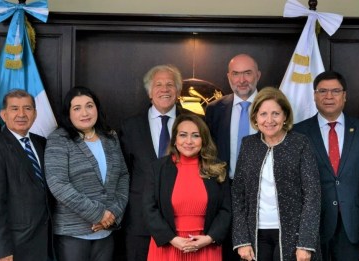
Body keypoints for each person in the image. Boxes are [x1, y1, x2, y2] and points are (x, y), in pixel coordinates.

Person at [232, 87, 321, 261]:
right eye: (263, 114)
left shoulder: (300, 143)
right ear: (255, 117)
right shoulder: (249, 145)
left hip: (293, 235)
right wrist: (242, 240)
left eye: (275, 114)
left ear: (285, 116)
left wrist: (305, 243)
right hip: (255, 235)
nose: (269, 120)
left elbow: (312, 195)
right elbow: (238, 195)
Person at [293, 71, 359, 261]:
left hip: (353, 228)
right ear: (314, 95)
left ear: (345, 95)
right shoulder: (298, 132)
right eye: (322, 91)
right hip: (313, 228)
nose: (329, 96)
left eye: (335, 91)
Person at [45, 86, 129, 261]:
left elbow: (123, 176)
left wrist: (113, 213)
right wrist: (98, 214)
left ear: (97, 108)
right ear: (69, 114)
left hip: (106, 233)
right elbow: (58, 184)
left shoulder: (110, 137)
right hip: (73, 236)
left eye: (89, 106)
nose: (85, 112)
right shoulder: (59, 139)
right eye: (77, 108)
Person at [143, 113, 231, 261]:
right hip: (167, 246)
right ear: (175, 140)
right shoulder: (158, 168)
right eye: (183, 135)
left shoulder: (217, 168)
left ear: (203, 140)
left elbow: (226, 210)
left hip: (206, 246)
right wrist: (172, 239)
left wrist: (209, 239)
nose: (189, 141)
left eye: (195, 136)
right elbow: (149, 208)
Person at [0, 90, 52, 261]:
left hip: (43, 242)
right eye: (14, 109)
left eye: (27, 108)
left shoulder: (43, 143)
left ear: (35, 113)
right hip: (13, 247)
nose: (21, 114)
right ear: (3, 114)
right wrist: (1, 251)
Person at [119, 64, 184, 261]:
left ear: (178, 91)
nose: (164, 90)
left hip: (182, 221)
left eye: (170, 85)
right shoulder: (130, 126)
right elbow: (124, 172)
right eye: (158, 85)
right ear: (149, 92)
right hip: (140, 221)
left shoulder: (196, 122)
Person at [205, 53, 261, 261]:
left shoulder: (272, 107)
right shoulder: (214, 109)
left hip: (264, 192)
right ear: (229, 77)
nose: (242, 79)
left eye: (247, 73)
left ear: (258, 75)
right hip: (224, 191)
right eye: (236, 74)